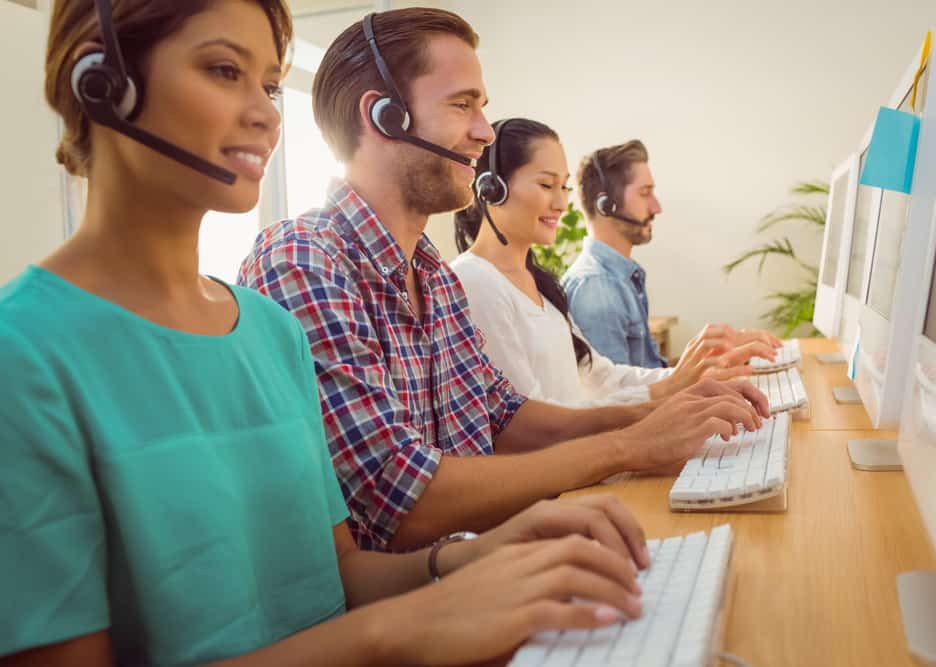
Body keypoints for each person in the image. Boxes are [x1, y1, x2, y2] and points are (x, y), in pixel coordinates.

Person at [0, 2, 668, 664]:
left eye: (267, 84)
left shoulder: (267, 332)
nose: (267, 115)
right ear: (101, 80)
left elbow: (339, 578)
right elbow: (378, 578)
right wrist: (412, 622)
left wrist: (492, 551)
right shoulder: (23, 353)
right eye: (224, 69)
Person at [238, 8, 768, 553]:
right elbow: (400, 499)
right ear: (384, 117)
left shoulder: (433, 276)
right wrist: (629, 445)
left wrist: (657, 413)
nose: (483, 132)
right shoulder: (306, 260)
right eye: (462, 104)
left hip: (486, 567)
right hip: (422, 604)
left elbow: (500, 415)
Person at [452, 118, 776, 409]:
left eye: (563, 186)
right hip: (569, 468)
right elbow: (531, 423)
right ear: (492, 189)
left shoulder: (537, 281)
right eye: (547, 185)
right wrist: (671, 389)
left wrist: (693, 375)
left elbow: (603, 377)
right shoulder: (476, 281)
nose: (562, 203)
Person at [562, 139, 783, 368]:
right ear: (606, 205)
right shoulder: (598, 288)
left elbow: (649, 378)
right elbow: (618, 399)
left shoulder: (619, 278)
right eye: (645, 193)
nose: (656, 207)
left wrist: (720, 355)